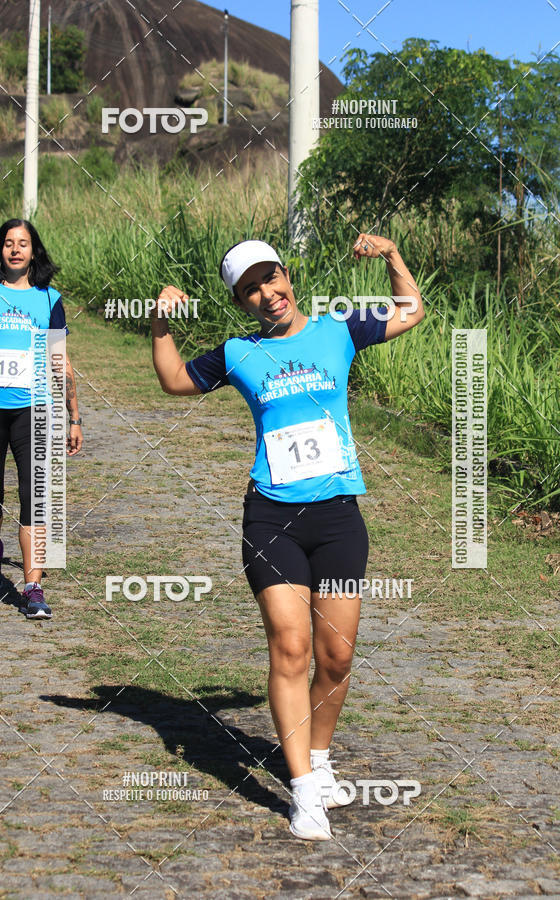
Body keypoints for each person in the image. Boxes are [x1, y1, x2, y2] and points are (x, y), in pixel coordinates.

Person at [151, 236, 424, 839]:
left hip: (338, 519)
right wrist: (158, 323)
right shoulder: (237, 353)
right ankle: (303, 792)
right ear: (240, 301)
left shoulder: (338, 329)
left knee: (336, 656)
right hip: (271, 517)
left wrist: (392, 256)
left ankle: (319, 760)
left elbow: (411, 309)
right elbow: (173, 380)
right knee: (291, 647)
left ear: (288, 275)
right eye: (251, 289)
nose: (266, 294)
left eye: (271, 279)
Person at [0, 219, 83, 618]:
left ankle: (33, 587)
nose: (16, 249)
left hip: (35, 406)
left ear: (34, 252)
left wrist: (74, 415)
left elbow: (59, 359)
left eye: (23, 243)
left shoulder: (49, 299)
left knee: (38, 496)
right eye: (9, 243)